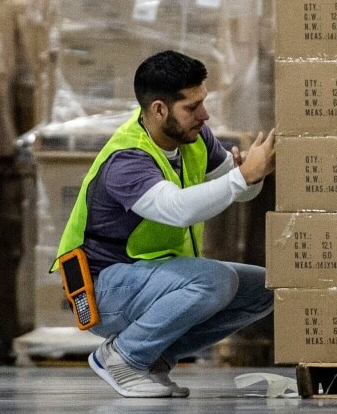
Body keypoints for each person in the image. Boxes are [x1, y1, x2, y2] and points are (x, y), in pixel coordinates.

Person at [56, 50, 274, 400]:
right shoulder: (128, 158)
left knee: (264, 288)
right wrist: (242, 177)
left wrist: (253, 175)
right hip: (101, 290)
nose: (204, 115)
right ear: (159, 109)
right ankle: (123, 356)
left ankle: (153, 359)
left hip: (151, 278)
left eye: (203, 102)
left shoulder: (194, 138)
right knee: (214, 281)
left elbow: (238, 190)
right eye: (192, 107)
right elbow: (177, 209)